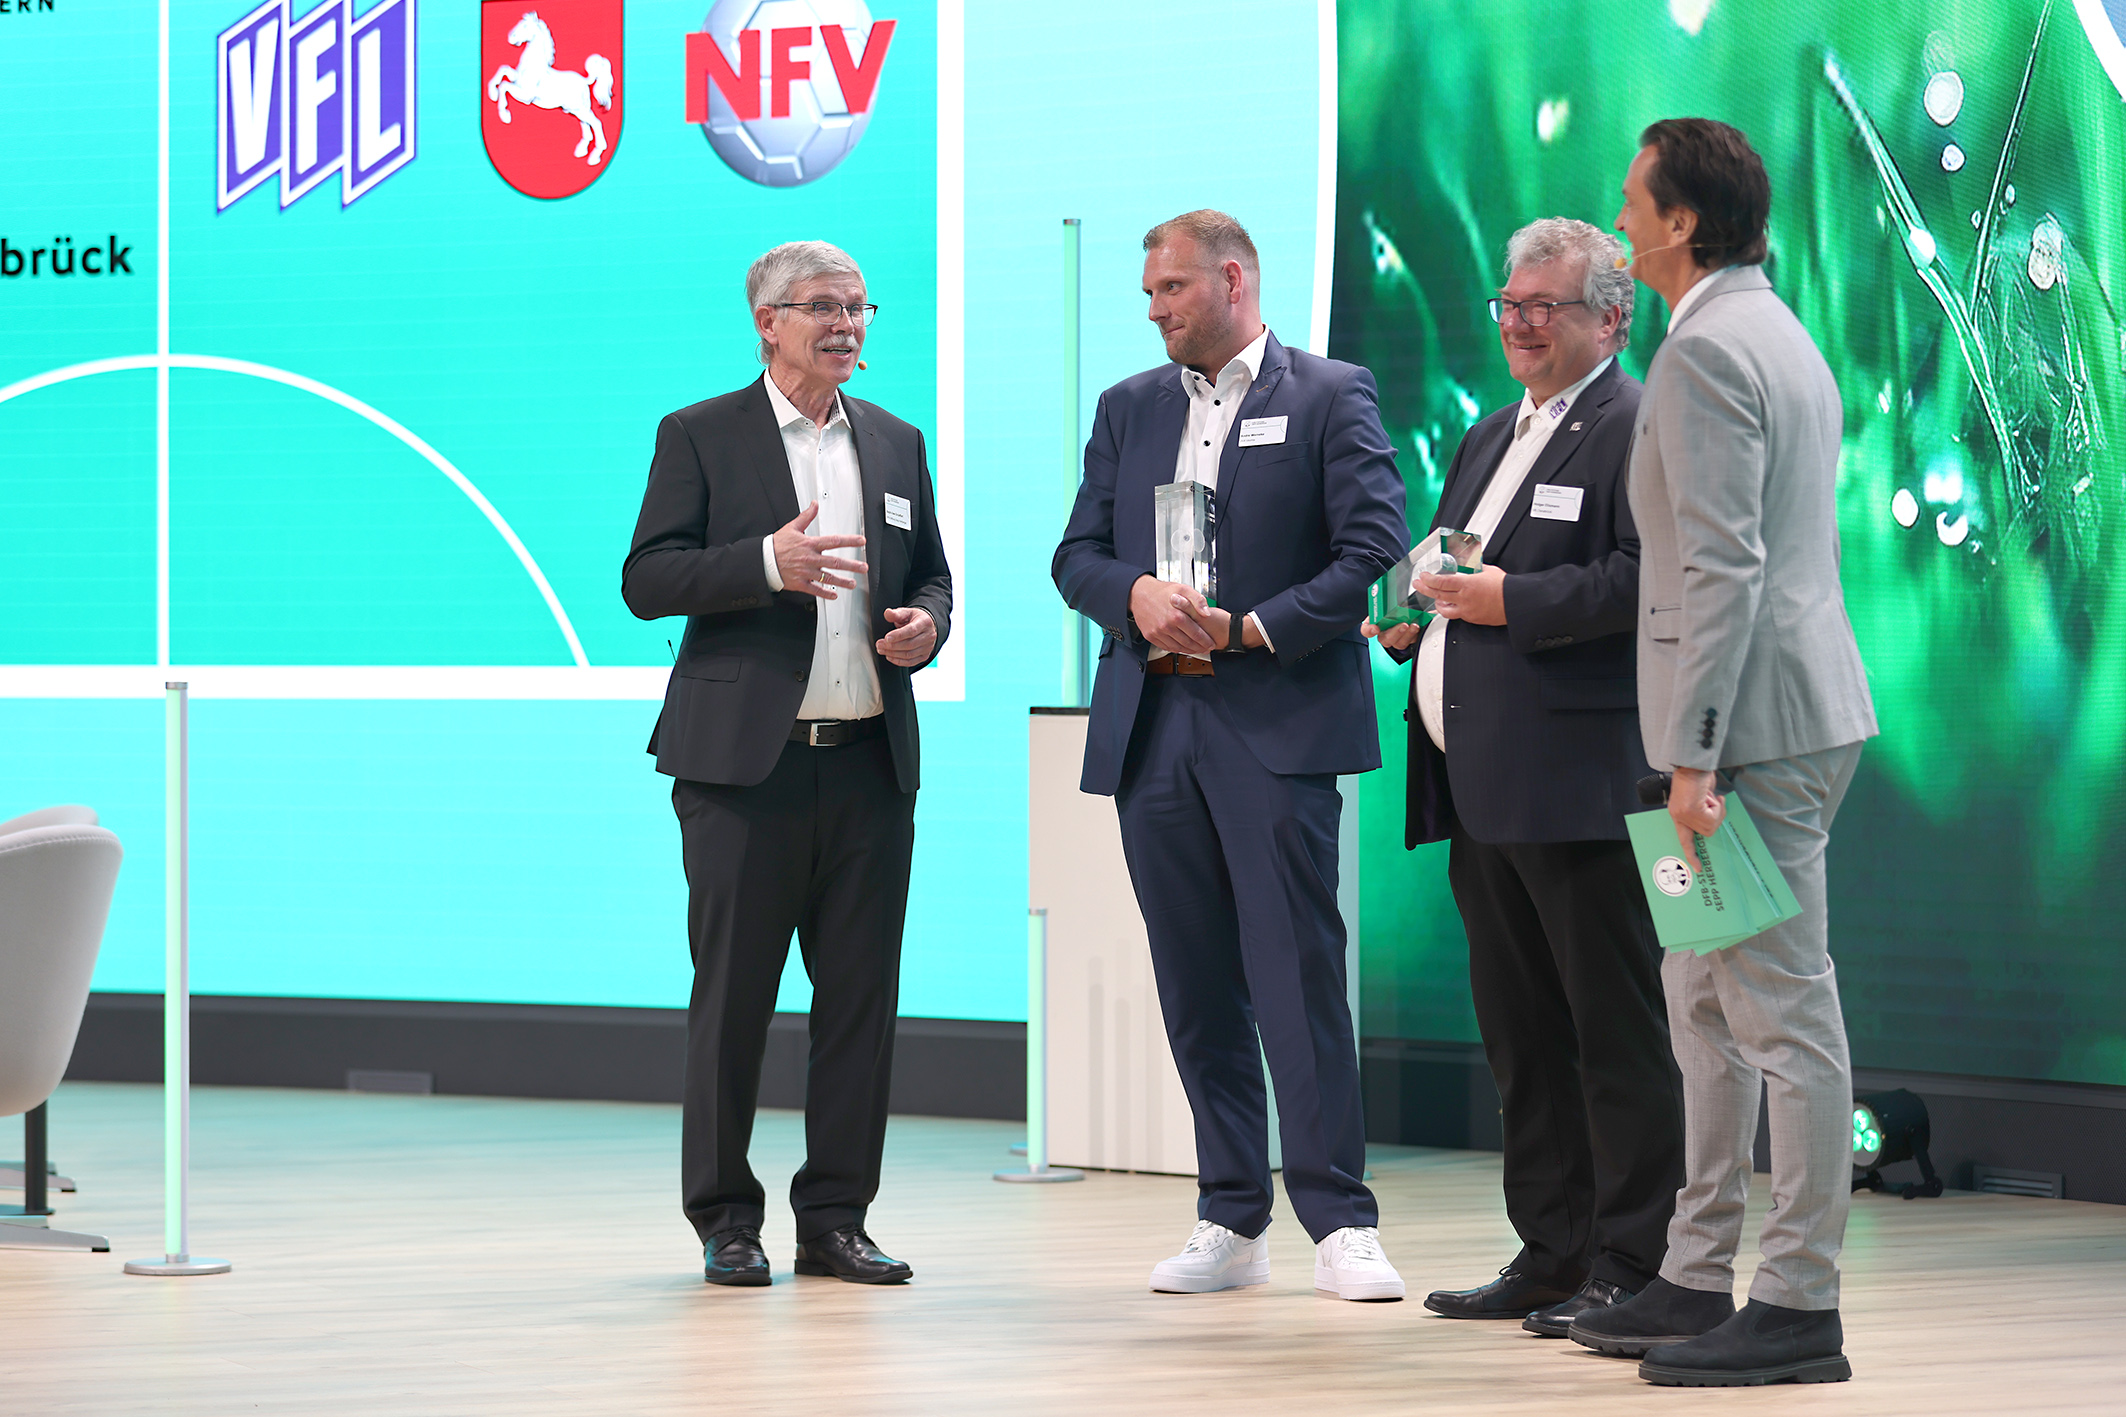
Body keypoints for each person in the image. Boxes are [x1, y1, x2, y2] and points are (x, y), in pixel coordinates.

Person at [1566, 120, 1878, 1385]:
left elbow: (1721, 565)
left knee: (1778, 1008)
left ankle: (1797, 1299)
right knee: (1700, 997)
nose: (1618, 219)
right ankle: (1696, 1274)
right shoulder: (1769, 329)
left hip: (1743, 739)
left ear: (1680, 222)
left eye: (1631, 201)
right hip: (1747, 727)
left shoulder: (1702, 352)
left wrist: (1692, 757)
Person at [1053, 210, 1410, 1301]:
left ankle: (1340, 1221)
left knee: (1295, 973)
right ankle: (1229, 1213)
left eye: (1170, 288)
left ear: (1234, 279)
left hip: (1275, 719)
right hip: (1155, 722)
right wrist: (1132, 593)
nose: (1154, 310)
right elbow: (1075, 555)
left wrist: (1251, 628)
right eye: (1148, 294)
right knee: (1195, 980)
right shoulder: (1128, 407)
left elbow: (1372, 545)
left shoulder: (1330, 392)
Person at [1366, 219, 1685, 1337]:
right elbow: (1453, 557)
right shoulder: (1491, 431)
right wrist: (1409, 612)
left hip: (1584, 787)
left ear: (1614, 318)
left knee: (1614, 1034)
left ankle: (1635, 1261)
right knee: (1523, 1037)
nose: (1522, 322)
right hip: (1483, 789)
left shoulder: (1635, 423)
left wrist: (1512, 603)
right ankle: (1551, 1252)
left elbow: (1650, 583)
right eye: (1510, 302)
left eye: (1548, 305)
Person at [622, 240, 953, 1288]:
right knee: (733, 1004)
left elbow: (933, 576)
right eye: (823, 306)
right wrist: (769, 562)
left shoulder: (895, 441)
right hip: (742, 774)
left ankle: (836, 1219)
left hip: (868, 766)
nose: (845, 323)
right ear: (767, 321)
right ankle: (726, 1219)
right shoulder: (700, 434)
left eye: (858, 306)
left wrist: (927, 626)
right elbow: (647, 578)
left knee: (860, 1006)